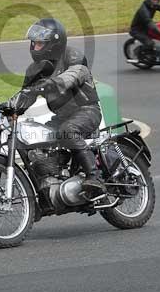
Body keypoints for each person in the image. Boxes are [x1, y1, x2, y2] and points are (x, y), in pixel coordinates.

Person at [6, 18, 105, 197]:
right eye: (33, 43)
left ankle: (95, 176)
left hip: (87, 110)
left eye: (38, 44)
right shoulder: (34, 70)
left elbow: (74, 75)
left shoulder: (72, 55)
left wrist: (50, 83)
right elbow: (25, 95)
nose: (33, 47)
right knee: (34, 137)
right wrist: (9, 106)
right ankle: (46, 187)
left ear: (53, 43)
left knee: (68, 130)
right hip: (61, 117)